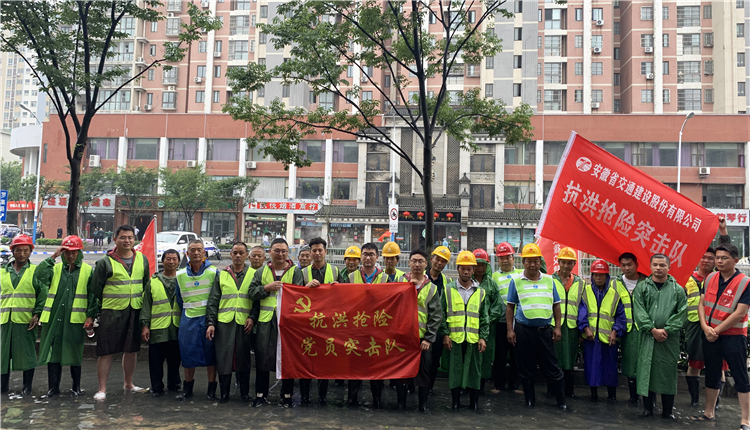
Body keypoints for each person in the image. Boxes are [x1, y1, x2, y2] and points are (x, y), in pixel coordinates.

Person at [90, 225, 150, 400]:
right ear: (115, 239)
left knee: (131, 350)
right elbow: (96, 288)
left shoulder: (142, 259)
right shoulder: (105, 262)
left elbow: (146, 284)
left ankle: (129, 383)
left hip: (134, 310)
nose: (127, 241)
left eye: (130, 237)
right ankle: (102, 389)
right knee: (106, 351)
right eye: (123, 237)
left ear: (134, 240)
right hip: (112, 311)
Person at [694, 243, 750, 427]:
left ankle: (746, 420)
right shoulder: (710, 277)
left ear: (735, 260)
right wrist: (705, 327)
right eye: (717, 257)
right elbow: (702, 304)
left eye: (724, 258)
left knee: (740, 376)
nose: (719, 261)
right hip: (710, 335)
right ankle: (708, 413)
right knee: (711, 373)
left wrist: (715, 330)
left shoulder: (745, 282)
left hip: (733, 336)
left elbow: (740, 313)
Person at [505, 243, 567, 411]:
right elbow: (510, 307)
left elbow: (556, 305)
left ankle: (561, 401)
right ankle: (529, 401)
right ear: (523, 262)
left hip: (545, 331)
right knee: (526, 368)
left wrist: (557, 327)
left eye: (536, 261)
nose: (532, 264)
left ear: (540, 262)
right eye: (529, 261)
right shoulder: (516, 282)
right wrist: (510, 330)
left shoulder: (549, 280)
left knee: (552, 368)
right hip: (523, 331)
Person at [36, 236, 97, 398]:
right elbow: (39, 274)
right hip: (54, 319)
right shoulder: (55, 269)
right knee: (53, 354)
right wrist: (53, 256)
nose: (70, 255)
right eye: (67, 252)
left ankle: (76, 387)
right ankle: (53, 388)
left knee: (74, 353)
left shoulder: (87, 271)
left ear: (79, 252)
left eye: (74, 252)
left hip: (75, 320)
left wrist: (90, 316)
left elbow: (93, 295)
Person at [248, 238, 305, 407]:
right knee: (262, 357)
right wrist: (266, 288)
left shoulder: (295, 272)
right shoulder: (261, 271)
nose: (280, 254)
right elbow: (252, 293)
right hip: (265, 321)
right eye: (277, 251)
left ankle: (286, 395)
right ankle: (260, 394)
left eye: (283, 251)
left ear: (288, 253)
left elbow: (299, 296)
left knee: (287, 357)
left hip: (286, 322)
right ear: (270, 252)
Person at [633, 253, 686, 420]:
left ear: (669, 267)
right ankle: (647, 409)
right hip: (648, 337)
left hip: (668, 340)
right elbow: (639, 311)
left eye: (662, 265)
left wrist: (667, 329)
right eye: (655, 264)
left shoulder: (677, 289)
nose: (658, 268)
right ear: (650, 266)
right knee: (646, 370)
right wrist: (652, 329)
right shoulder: (642, 287)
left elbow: (682, 312)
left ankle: (667, 411)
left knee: (667, 372)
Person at [206, 242, 258, 403]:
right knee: (224, 357)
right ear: (231, 254)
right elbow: (213, 300)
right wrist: (211, 323)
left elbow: (258, 301)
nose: (238, 256)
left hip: (245, 323)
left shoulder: (254, 274)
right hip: (224, 322)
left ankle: (244, 393)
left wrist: (252, 317)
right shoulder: (222, 275)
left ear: (247, 255)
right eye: (235, 252)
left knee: (244, 357)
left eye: (241, 253)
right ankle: (224, 394)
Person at [440, 251, 488, 412]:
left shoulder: (480, 292)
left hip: (474, 338)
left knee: (474, 370)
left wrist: (483, 337)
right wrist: (445, 334)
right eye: (463, 268)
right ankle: (455, 403)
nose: (466, 272)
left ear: (473, 270)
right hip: (454, 338)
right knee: (455, 370)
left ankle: (474, 403)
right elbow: (441, 314)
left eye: (469, 269)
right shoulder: (448, 290)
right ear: (457, 269)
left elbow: (484, 317)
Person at [0, 234, 45, 395]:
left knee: (27, 355)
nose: (22, 254)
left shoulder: (35, 271)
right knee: (3, 356)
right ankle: (2, 388)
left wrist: (37, 314)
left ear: (30, 251)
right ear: (12, 251)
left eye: (26, 250)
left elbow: (43, 295)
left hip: (26, 321)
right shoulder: (3, 272)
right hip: (5, 321)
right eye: (18, 250)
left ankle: (27, 388)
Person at [175, 240, 218, 400]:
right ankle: (187, 389)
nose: (196, 253)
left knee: (211, 355)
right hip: (188, 320)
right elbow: (179, 299)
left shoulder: (214, 272)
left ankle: (211, 390)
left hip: (209, 320)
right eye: (192, 250)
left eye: (199, 249)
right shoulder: (180, 275)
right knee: (188, 355)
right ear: (187, 254)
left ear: (204, 253)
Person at [578, 259, 626, 403]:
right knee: (592, 367)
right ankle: (593, 395)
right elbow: (581, 313)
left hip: (608, 339)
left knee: (610, 367)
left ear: (607, 276)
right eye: (596, 275)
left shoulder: (614, 294)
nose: (598, 278)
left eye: (601, 275)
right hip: (591, 338)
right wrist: (585, 328)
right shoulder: (585, 292)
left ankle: (612, 396)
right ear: (592, 276)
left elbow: (621, 316)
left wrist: (615, 331)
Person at [399, 250, 441, 411]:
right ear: (409, 263)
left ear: (426, 264)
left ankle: (422, 405)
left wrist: (429, 338)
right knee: (402, 372)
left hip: (422, 339)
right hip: (403, 338)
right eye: (414, 261)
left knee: (423, 373)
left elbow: (436, 315)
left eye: (420, 261)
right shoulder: (400, 282)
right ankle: (401, 405)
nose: (417, 264)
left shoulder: (431, 288)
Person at [346, 243, 387, 408]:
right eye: (365, 254)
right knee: (354, 366)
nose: (368, 257)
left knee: (377, 366)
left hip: (377, 329)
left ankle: (377, 400)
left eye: (371, 254)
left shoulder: (385, 278)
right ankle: (352, 399)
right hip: (356, 329)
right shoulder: (350, 277)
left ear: (377, 257)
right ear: (360, 257)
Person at [684, 247, 726, 407]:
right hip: (694, 324)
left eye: (710, 258)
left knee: (720, 364)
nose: (706, 260)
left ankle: (716, 403)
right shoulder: (687, 279)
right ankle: (694, 400)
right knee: (694, 362)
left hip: (717, 325)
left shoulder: (720, 278)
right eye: (703, 257)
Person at [299, 237, 339, 405]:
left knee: (325, 360)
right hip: (308, 324)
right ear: (310, 252)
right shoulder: (302, 273)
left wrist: (338, 288)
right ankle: (304, 397)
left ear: (325, 252)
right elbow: (295, 296)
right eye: (314, 250)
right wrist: (306, 288)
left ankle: (322, 397)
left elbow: (345, 298)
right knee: (305, 359)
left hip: (327, 324)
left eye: (319, 250)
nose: (317, 253)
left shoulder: (335, 271)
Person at [140, 249, 182, 397]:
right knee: (156, 361)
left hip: (177, 327)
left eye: (174, 259)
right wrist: (145, 325)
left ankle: (174, 384)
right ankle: (156, 387)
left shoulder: (183, 279)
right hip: (158, 328)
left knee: (175, 360)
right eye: (168, 259)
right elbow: (146, 305)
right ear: (162, 261)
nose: (171, 262)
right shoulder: (153, 281)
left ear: (179, 261)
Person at [551, 247, 585, 398]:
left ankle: (569, 392)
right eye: (563, 262)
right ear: (558, 262)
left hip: (572, 327)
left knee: (570, 359)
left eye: (569, 263)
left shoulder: (580, 283)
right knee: (554, 358)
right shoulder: (550, 280)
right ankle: (553, 391)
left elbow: (583, 307)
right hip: (554, 326)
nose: (566, 265)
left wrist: (582, 330)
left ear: (574, 264)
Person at [490, 242, 523, 393]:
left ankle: (515, 385)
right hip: (501, 322)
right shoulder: (494, 277)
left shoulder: (521, 275)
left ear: (513, 258)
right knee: (500, 354)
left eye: (507, 257)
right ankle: (498, 385)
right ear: (497, 260)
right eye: (501, 258)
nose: (504, 260)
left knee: (517, 354)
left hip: (519, 322)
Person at [614, 252, 646, 403]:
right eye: (623, 265)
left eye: (629, 265)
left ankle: (648, 397)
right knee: (629, 362)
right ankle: (633, 396)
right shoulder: (616, 283)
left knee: (644, 361)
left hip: (644, 329)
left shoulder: (646, 282)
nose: (626, 268)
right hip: (625, 329)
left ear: (636, 265)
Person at [471, 248, 501, 396]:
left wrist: (488, 320)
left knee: (485, 355)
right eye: (477, 264)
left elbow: (497, 305)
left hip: (487, 328)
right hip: (469, 326)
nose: (480, 268)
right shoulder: (467, 282)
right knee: (470, 355)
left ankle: (481, 386)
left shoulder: (491, 284)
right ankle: (468, 385)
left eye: (483, 264)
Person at [427, 245, 452, 393]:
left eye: (443, 261)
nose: (439, 263)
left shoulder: (447, 282)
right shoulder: (421, 277)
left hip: (437, 327)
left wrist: (446, 332)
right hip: (420, 325)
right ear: (431, 259)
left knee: (435, 359)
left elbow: (448, 308)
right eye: (437, 259)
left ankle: (428, 388)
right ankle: (413, 387)